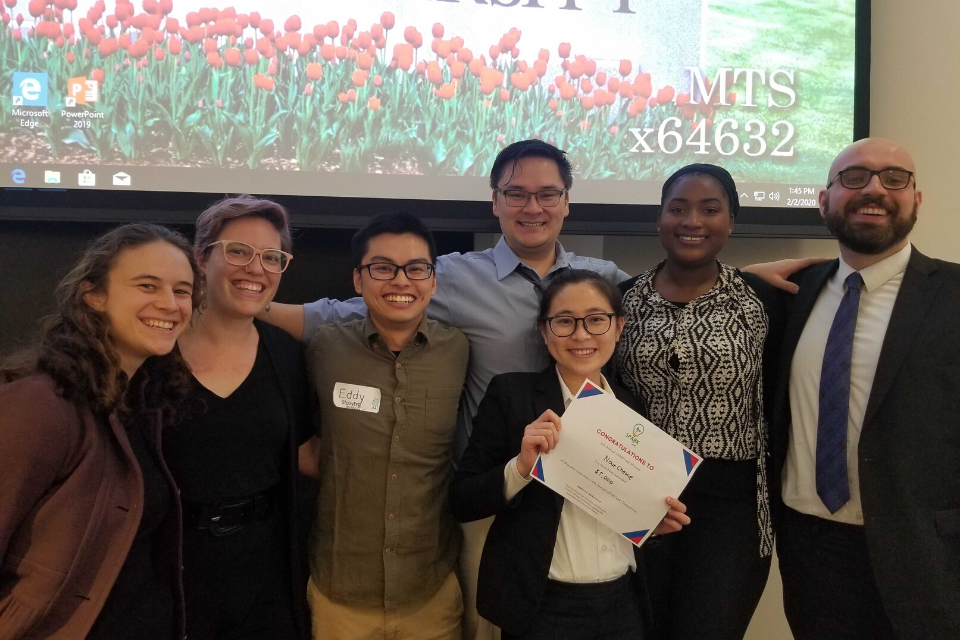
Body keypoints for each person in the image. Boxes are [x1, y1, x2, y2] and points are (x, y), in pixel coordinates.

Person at [260, 140, 818, 640]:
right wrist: (243, 304)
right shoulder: (448, 277)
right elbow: (342, 313)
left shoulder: (600, 274)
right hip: (501, 501)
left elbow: (676, 283)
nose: (533, 207)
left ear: (567, 202)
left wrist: (747, 276)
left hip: (599, 497)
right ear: (495, 201)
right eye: (517, 194)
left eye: (548, 193)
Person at [771, 138, 960, 639]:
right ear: (823, 199)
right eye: (853, 178)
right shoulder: (793, 295)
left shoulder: (954, 296)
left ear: (916, 199)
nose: (874, 189)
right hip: (810, 548)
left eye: (894, 178)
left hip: (925, 554)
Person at [450, 269, 689, 640]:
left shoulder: (632, 408)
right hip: (541, 605)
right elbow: (462, 501)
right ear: (545, 331)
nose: (581, 335)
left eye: (596, 320)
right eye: (564, 321)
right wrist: (520, 468)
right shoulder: (512, 395)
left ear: (618, 327)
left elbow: (629, 504)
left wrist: (650, 523)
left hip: (623, 603)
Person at [0, 224, 199, 639]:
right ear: (94, 294)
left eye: (182, 291)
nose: (170, 304)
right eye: (148, 285)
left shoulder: (142, 402)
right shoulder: (41, 406)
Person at [614, 164, 783, 639]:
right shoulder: (622, 301)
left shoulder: (762, 300)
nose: (692, 221)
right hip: (638, 494)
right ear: (660, 218)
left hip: (733, 508)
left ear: (731, 221)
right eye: (678, 208)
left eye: (710, 209)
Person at [303, 212, 469, 639]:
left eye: (416, 269)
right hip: (340, 590)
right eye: (382, 268)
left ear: (433, 281)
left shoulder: (458, 351)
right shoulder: (323, 349)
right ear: (358, 280)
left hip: (429, 588)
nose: (400, 281)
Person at [162, 196, 315, 640]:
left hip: (264, 573)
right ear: (200, 258)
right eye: (237, 252)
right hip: (167, 567)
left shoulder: (285, 354)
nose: (256, 269)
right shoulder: (154, 351)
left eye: (272, 258)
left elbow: (304, 454)